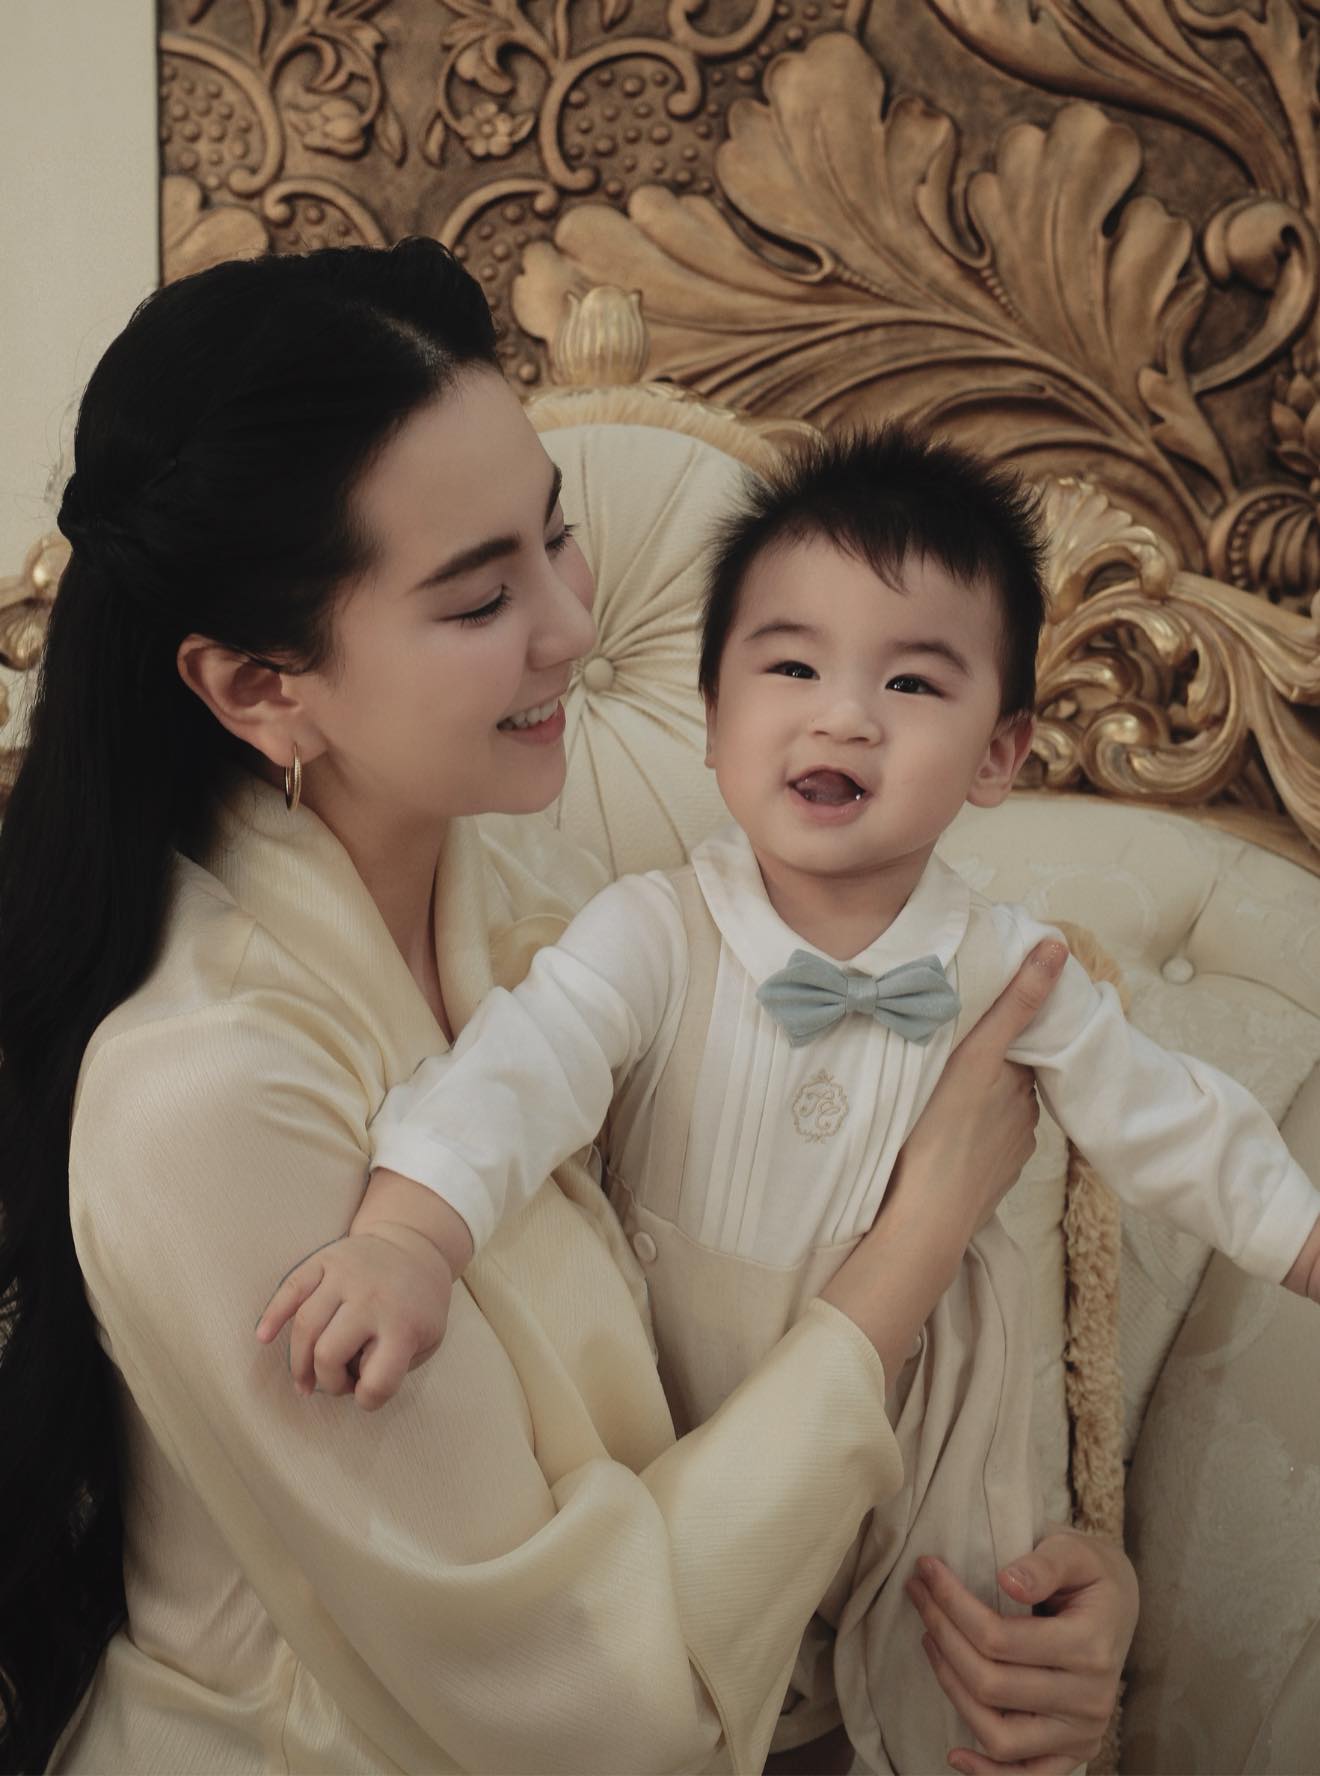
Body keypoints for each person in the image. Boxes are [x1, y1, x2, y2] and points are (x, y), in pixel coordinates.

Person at [0, 240, 1136, 1776]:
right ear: (263, 688)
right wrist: (923, 1229)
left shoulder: (544, 899)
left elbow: (737, 1373)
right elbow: (590, 1707)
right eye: (482, 599)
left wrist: (1037, 1597)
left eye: (557, 537)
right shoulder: (206, 1096)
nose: (573, 628)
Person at [260, 428, 1320, 1770]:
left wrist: (1301, 1238)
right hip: (667, 1381)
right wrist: (410, 1236)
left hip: (923, 1402)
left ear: (999, 755)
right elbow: (519, 1072)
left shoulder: (1011, 968)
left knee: (967, 1636)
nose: (844, 717)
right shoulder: (651, 930)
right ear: (714, 722)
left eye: (912, 682)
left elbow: (1175, 1122)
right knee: (691, 1613)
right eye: (793, 667)